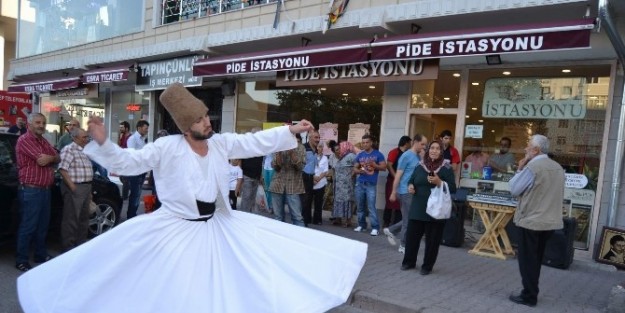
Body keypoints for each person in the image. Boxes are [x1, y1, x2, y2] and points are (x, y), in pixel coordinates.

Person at [17, 83, 367, 313]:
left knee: (232, 284)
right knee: (173, 292)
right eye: (199, 119)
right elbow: (129, 163)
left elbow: (252, 142)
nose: (207, 122)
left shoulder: (218, 142)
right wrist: (105, 144)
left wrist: (291, 130)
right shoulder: (167, 147)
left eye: (205, 115)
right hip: (175, 231)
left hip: (218, 227)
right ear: (187, 126)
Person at [508, 134, 564, 307]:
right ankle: (532, 291)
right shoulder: (558, 168)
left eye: (528, 145)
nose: (525, 149)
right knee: (536, 259)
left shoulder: (533, 167)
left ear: (536, 150)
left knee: (527, 261)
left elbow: (514, 189)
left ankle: (529, 295)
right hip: (550, 221)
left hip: (531, 220)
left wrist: (519, 168)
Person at [401, 140, 456, 275]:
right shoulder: (420, 166)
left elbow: (453, 188)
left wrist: (439, 182)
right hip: (418, 208)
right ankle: (409, 262)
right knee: (412, 238)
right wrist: (410, 186)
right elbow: (411, 180)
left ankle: (427, 266)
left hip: (435, 211)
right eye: (432, 148)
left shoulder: (446, 168)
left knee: (432, 242)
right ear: (428, 150)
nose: (434, 151)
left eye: (438, 149)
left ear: (441, 151)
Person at [15, 113, 60, 272]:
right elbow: (41, 159)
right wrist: (51, 157)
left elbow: (57, 156)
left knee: (42, 226)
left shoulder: (43, 141)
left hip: (45, 190)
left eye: (43, 122)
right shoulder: (24, 140)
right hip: (31, 190)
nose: (41, 125)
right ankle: (21, 260)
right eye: (38, 122)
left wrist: (51, 158)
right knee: (28, 226)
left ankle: (40, 254)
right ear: (29, 124)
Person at [386, 134, 428, 254]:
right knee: (408, 220)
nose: (424, 147)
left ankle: (391, 230)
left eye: (425, 144)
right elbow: (398, 174)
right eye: (422, 144)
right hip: (404, 191)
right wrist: (394, 191)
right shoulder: (406, 156)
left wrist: (423, 157)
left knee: (409, 218)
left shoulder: (419, 156)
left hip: (413, 191)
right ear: (415, 142)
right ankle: (403, 245)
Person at [58, 128, 93, 252]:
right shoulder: (69, 150)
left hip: (86, 187)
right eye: (84, 137)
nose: (87, 139)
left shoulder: (85, 150)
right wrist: (72, 187)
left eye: (87, 137)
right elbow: (62, 169)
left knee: (84, 218)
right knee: (71, 219)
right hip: (75, 187)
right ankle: (68, 247)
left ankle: (80, 244)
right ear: (75, 138)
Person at [353, 134, 386, 236]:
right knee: (360, 206)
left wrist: (375, 166)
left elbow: (384, 167)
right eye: (363, 142)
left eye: (367, 142)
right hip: (360, 183)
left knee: (371, 206)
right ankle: (361, 225)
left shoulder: (378, 154)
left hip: (371, 184)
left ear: (371, 143)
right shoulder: (360, 155)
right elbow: (354, 168)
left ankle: (375, 227)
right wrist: (359, 171)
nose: (365, 144)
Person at [269, 143, 306, 226]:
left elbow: (300, 167)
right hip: (277, 185)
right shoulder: (278, 146)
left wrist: (292, 152)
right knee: (278, 217)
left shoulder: (300, 147)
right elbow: (276, 167)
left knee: (297, 217)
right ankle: (279, 238)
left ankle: (300, 238)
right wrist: (278, 154)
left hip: (294, 186)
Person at [383, 136, 411, 228]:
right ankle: (386, 222)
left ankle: (396, 224)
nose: (410, 145)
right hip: (392, 180)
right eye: (409, 143)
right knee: (390, 201)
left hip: (403, 182)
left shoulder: (408, 154)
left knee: (400, 202)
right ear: (406, 143)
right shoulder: (394, 152)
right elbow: (389, 165)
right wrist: (396, 177)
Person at [125, 119, 149, 219]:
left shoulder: (143, 139)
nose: (147, 130)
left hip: (141, 170)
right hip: (135, 171)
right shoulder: (132, 139)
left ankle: (133, 214)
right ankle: (131, 216)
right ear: (139, 128)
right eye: (146, 128)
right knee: (135, 194)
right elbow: (132, 154)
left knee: (137, 194)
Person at [238, 127, 263, 213]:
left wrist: (261, 175)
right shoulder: (247, 145)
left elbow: (261, 162)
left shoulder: (261, 147)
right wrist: (240, 173)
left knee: (252, 197)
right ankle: (243, 214)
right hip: (247, 174)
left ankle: (249, 215)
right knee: (246, 196)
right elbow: (241, 160)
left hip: (256, 175)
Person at [301, 130, 320, 226]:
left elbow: (313, 165)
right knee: (304, 200)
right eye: (316, 137)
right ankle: (302, 222)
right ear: (310, 138)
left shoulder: (316, 149)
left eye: (318, 137)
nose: (318, 140)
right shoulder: (304, 148)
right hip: (303, 176)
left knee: (308, 200)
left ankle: (306, 221)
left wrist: (314, 176)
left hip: (310, 176)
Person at [311, 143, 329, 225]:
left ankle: (317, 219)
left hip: (321, 182)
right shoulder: (311, 156)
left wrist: (318, 179)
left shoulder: (325, 158)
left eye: (321, 147)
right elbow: (308, 168)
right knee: (308, 201)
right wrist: (313, 177)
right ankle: (307, 218)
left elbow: (325, 171)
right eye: (317, 147)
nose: (319, 148)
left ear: (322, 148)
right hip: (311, 181)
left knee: (318, 202)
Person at [118, 121, 132, 200]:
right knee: (121, 177)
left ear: (126, 128)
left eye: (122, 127)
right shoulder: (122, 136)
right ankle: (131, 188)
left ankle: (124, 196)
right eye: (120, 127)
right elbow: (119, 146)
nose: (120, 129)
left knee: (125, 178)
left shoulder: (130, 137)